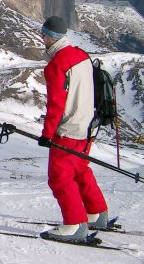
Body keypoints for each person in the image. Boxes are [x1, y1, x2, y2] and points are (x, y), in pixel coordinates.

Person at [37, 16, 109, 242]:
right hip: (88, 126)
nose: (42, 39)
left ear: (50, 37)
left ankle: (75, 224)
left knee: (59, 178)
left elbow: (56, 104)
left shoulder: (57, 64)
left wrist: (47, 134)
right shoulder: (81, 55)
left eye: (44, 35)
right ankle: (96, 213)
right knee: (80, 169)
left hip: (69, 130)